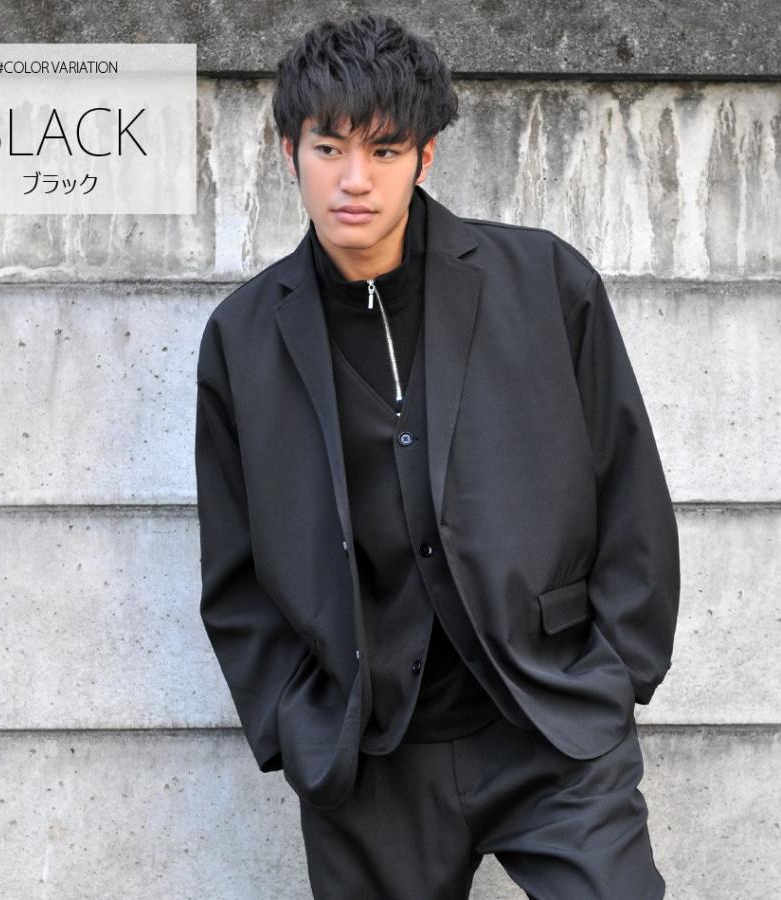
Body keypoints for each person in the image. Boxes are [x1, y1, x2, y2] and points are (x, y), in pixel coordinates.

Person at [195, 13, 679, 899]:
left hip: (551, 726)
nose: (354, 180)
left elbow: (630, 488)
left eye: (384, 151)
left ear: (425, 157)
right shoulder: (243, 338)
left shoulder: (545, 283)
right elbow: (233, 568)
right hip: (370, 758)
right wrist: (294, 722)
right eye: (329, 148)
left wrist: (615, 678)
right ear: (287, 150)